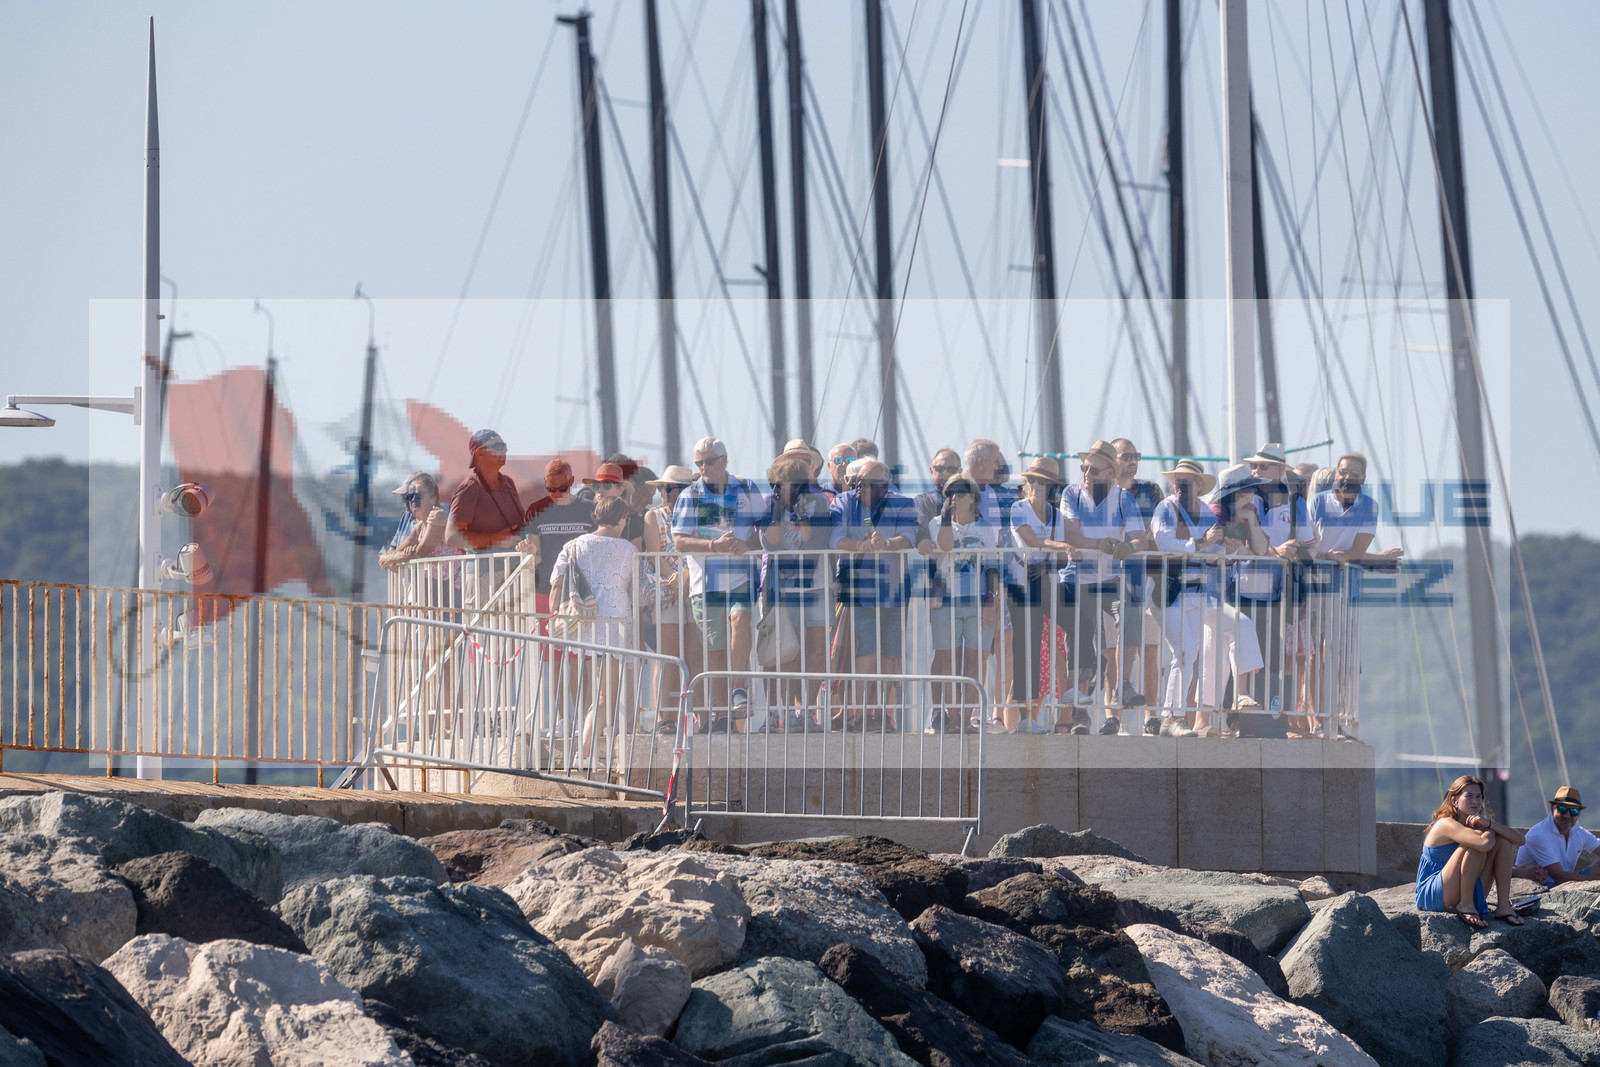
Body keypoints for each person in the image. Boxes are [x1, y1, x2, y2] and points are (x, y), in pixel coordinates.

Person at [672, 436, 764, 731]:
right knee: (715, 650)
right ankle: (724, 714)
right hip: (705, 583)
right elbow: (679, 540)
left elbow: (764, 528)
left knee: (740, 621)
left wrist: (746, 544)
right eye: (698, 462)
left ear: (724, 460)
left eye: (708, 461)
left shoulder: (747, 488)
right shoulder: (690, 495)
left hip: (741, 576)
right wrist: (714, 547)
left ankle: (739, 690)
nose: (703, 467)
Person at [1058, 440, 1148, 731]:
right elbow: (1071, 535)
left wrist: (1129, 549)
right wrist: (1103, 545)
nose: (1086, 473)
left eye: (1093, 469)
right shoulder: (1071, 493)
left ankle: (1123, 684)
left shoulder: (1124, 498)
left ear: (1110, 472)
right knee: (1080, 640)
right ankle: (1078, 715)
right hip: (1075, 578)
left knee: (1131, 615)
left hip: (1109, 580)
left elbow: (1139, 538)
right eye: (1084, 467)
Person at [830, 459, 918, 730]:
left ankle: (883, 713)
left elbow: (909, 537)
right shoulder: (843, 502)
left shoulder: (903, 503)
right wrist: (862, 545)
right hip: (857, 591)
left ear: (884, 486)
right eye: (856, 482)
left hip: (893, 590)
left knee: (891, 651)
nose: (857, 487)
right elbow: (834, 539)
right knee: (866, 648)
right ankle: (861, 713)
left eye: (865, 484)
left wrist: (887, 544)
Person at [549, 495, 639, 758]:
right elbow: (637, 594)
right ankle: (585, 754)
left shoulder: (574, 544)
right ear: (622, 518)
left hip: (585, 616)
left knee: (596, 690)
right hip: (616, 616)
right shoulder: (628, 550)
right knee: (605, 694)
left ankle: (593, 741)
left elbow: (556, 584)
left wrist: (554, 616)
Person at [1235, 444, 1314, 723]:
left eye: (1262, 466)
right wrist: (1278, 552)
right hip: (1242, 589)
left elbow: (1309, 547)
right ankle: (1237, 718)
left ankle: (1274, 717)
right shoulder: (1244, 499)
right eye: (1254, 466)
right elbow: (1242, 545)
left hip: (1278, 594)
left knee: (1274, 656)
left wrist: (1294, 552)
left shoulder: (1297, 503)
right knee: (1243, 652)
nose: (1256, 471)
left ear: (1280, 470)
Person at [1149, 459, 1227, 737]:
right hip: (1167, 589)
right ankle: (1173, 717)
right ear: (1173, 484)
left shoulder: (1205, 513)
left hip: (1195, 591)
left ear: (1197, 486)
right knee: (1185, 652)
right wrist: (1203, 543)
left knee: (1186, 656)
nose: (1183, 485)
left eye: (1189, 481)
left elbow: (1215, 551)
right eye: (1179, 481)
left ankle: (1171, 717)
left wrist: (1223, 543)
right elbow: (1164, 542)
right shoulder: (1165, 508)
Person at [760, 451, 834, 727]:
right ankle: (784, 711)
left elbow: (814, 542)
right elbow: (771, 544)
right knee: (784, 651)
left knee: (816, 651)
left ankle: (809, 711)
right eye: (775, 485)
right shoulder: (771, 506)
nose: (778, 490)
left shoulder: (820, 504)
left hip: (815, 586)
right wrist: (778, 511)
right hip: (782, 589)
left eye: (785, 484)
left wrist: (801, 511)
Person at [1195, 464, 1269, 735]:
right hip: (1201, 592)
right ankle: (1241, 694)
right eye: (1249, 490)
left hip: (1218, 595)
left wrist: (1251, 522)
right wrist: (1232, 543)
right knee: (1243, 626)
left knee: (1215, 657)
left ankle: (1203, 722)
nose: (1253, 496)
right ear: (1237, 494)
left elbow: (1260, 550)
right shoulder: (1216, 514)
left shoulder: (1244, 516)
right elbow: (1214, 552)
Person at [1008, 458, 1079, 734]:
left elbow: (1059, 558)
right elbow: (1029, 540)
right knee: (1027, 649)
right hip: (1020, 585)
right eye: (1032, 480)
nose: (1036, 485)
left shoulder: (1056, 515)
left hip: (1045, 581)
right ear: (1026, 484)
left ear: (1051, 487)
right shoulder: (1018, 508)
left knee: (1077, 624)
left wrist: (1053, 558)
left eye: (1043, 481)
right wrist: (1059, 546)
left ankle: (1073, 688)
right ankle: (1025, 719)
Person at [928, 475, 1001, 733]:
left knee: (975, 661)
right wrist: (947, 518)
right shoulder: (936, 523)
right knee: (946, 659)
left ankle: (967, 719)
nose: (954, 498)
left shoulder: (986, 529)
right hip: (945, 600)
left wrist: (990, 601)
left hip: (977, 600)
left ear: (972, 497)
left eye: (960, 492)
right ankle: (952, 717)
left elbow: (993, 566)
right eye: (949, 493)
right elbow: (945, 547)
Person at [1416, 775, 1527, 929]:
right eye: (1469, 796)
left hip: (1461, 887)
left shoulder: (1476, 824)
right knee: (1477, 845)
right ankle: (1466, 904)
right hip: (1434, 893)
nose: (1475, 801)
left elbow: (1520, 840)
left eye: (1478, 796)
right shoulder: (1445, 824)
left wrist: (1489, 824)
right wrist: (1486, 829)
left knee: (1503, 842)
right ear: (1455, 800)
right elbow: (1483, 843)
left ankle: (1503, 906)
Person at [643, 465, 700, 730]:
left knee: (695, 654)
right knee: (668, 654)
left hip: (696, 584)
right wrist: (678, 578)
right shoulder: (652, 517)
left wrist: (687, 575)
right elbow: (655, 556)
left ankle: (697, 715)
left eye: (671, 488)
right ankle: (666, 717)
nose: (665, 492)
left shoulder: (700, 514)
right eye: (662, 487)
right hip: (668, 590)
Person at [1111, 438, 1162, 713]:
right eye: (1126, 455)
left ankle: (1152, 718)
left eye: (1136, 455)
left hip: (1145, 579)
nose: (1132, 460)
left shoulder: (1152, 491)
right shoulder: (1102, 493)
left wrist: (1138, 542)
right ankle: (1114, 720)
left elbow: (1159, 534)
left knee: (1150, 652)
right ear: (1113, 459)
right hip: (1109, 579)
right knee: (1112, 653)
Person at [1513, 786, 1600, 886]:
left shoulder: (1579, 832)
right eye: (1562, 809)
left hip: (1566, 882)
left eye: (1573, 812)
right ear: (1552, 808)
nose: (1567, 815)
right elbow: (1560, 878)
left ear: (1579, 814)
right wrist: (1596, 881)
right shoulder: (1539, 835)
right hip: (1543, 887)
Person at [380, 472, 453, 572]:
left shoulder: (437, 517)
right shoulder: (420, 526)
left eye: (418, 496)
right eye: (410, 496)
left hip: (446, 585)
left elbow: (420, 552)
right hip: (429, 584)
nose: (412, 500)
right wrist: (392, 559)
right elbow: (397, 552)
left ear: (433, 499)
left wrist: (387, 559)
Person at [584, 461, 643, 549]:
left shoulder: (631, 519)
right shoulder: (585, 513)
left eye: (606, 485)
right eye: (596, 486)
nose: (600, 490)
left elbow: (636, 557)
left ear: (620, 490)